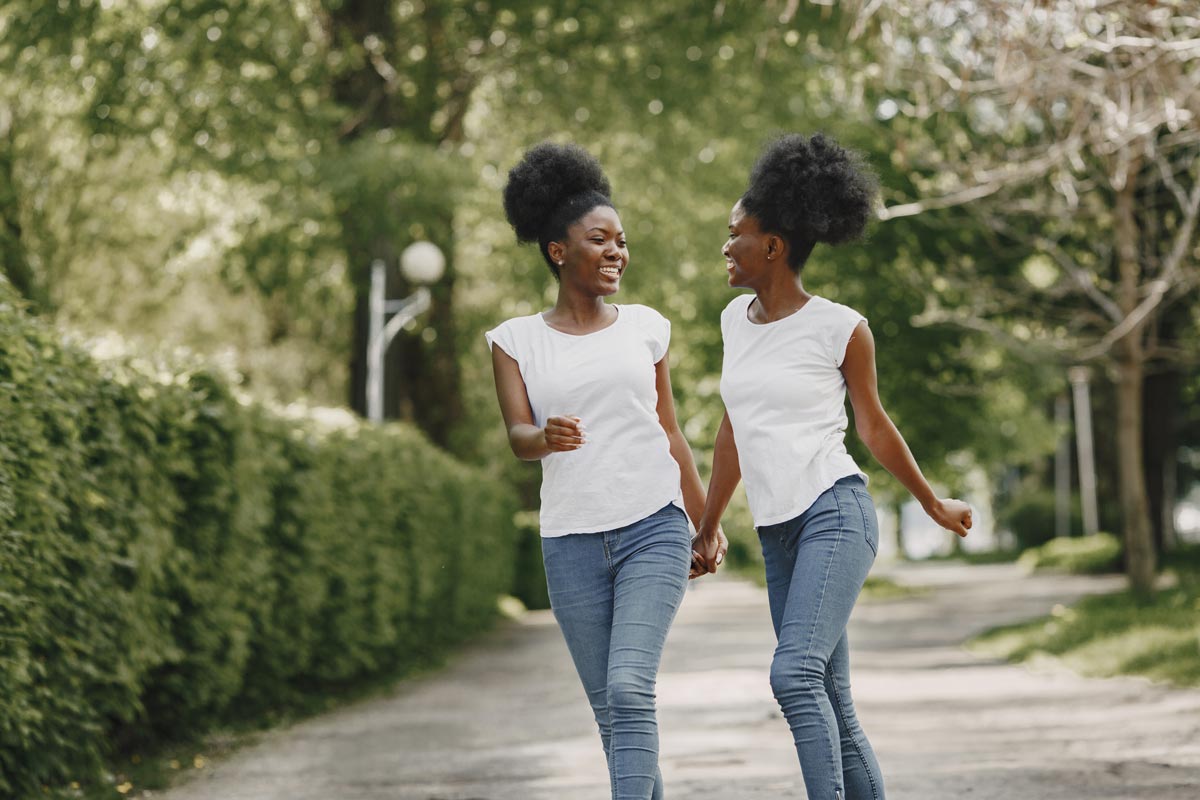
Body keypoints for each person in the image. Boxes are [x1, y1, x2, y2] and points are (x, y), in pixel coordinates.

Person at [692, 133, 973, 800]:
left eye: (736, 234)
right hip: (776, 532)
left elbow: (873, 426)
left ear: (773, 246)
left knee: (793, 676)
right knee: (831, 698)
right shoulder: (736, 320)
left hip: (834, 513)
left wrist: (933, 504)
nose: (725, 246)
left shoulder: (841, 326)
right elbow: (734, 431)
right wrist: (705, 525)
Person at [486, 142, 710, 800]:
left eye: (622, 240)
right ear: (559, 251)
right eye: (599, 239)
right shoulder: (513, 339)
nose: (617, 251)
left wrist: (705, 521)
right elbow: (519, 437)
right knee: (615, 714)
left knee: (628, 687)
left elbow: (671, 431)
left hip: (653, 527)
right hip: (570, 540)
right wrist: (544, 436)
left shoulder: (646, 328)